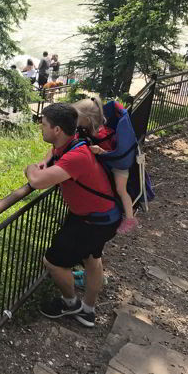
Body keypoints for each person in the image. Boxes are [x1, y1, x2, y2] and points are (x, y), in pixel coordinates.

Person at [24, 103, 121, 328]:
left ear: (57, 130)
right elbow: (54, 151)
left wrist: (31, 168)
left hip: (93, 221)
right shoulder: (73, 139)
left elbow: (37, 182)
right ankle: (88, 309)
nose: (41, 128)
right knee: (92, 259)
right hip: (103, 215)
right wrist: (46, 160)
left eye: (44, 125)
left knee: (53, 262)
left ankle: (71, 304)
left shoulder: (76, 157)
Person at [73, 97, 139, 234]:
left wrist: (100, 151)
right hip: (110, 162)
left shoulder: (102, 134)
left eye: (78, 117)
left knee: (121, 190)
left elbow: (113, 152)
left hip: (119, 166)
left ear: (88, 119)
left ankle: (130, 218)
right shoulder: (92, 130)